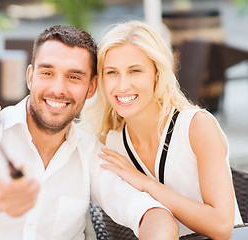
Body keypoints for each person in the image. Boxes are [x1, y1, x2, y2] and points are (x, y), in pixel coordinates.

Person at [0, 25, 179, 240]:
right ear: (31, 76)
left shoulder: (90, 152)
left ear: (91, 87)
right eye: (47, 73)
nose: (58, 89)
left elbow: (152, 214)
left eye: (74, 77)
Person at [80, 20, 243, 239]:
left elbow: (221, 226)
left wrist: (147, 184)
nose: (122, 85)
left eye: (134, 71)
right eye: (112, 73)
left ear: (157, 74)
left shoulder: (196, 127)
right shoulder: (109, 144)